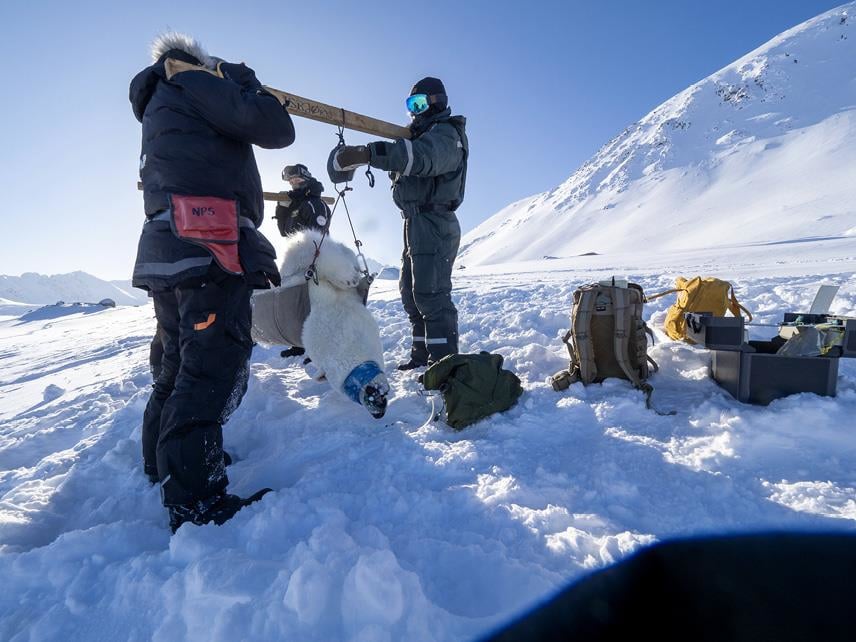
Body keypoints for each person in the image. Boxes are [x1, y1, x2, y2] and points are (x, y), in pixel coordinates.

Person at [129, 32, 295, 532]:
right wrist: (244, 81)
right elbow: (274, 126)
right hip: (208, 247)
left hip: (167, 246)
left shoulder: (160, 97)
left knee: (178, 362)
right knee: (210, 368)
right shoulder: (193, 82)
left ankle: (165, 465)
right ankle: (195, 500)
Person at [330, 77, 468, 369]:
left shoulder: (446, 135)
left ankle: (445, 364)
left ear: (436, 102)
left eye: (419, 104)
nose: (415, 112)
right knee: (411, 294)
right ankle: (421, 357)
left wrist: (368, 154)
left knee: (432, 295)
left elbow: (421, 159)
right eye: (410, 107)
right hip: (415, 222)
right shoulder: (421, 136)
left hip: (435, 221)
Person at [273, 164, 331, 237]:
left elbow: (318, 239)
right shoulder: (295, 207)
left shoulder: (315, 204)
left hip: (310, 247)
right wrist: (282, 209)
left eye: (297, 180)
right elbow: (285, 233)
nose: (294, 185)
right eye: (291, 182)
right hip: (295, 247)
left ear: (307, 180)